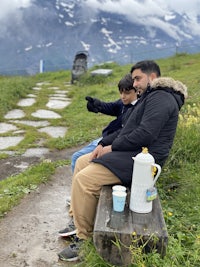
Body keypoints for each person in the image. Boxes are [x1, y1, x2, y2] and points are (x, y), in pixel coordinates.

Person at [58, 60, 188, 261]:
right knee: (83, 161)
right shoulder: (151, 97)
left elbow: (145, 134)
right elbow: (126, 128)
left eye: (138, 78)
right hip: (133, 153)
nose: (134, 84)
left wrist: (112, 147)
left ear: (152, 77)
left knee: (85, 180)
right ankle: (79, 221)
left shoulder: (162, 97)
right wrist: (103, 144)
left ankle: (83, 241)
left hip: (143, 162)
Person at [70, 73, 139, 173]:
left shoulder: (137, 109)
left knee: (77, 158)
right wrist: (97, 105)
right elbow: (111, 107)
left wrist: (104, 143)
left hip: (111, 143)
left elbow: (123, 132)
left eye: (127, 93)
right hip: (105, 139)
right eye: (121, 92)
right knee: (78, 158)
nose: (123, 96)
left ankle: (77, 186)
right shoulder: (124, 103)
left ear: (137, 91)